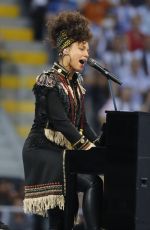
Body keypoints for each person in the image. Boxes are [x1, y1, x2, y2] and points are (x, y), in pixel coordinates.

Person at [22, 11, 104, 230]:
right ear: (66, 49)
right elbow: (61, 122)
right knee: (90, 183)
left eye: (87, 48)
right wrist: (87, 147)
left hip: (62, 150)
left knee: (63, 217)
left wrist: (100, 145)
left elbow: (83, 125)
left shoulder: (77, 84)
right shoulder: (47, 81)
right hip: (41, 149)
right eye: (82, 47)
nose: (87, 52)